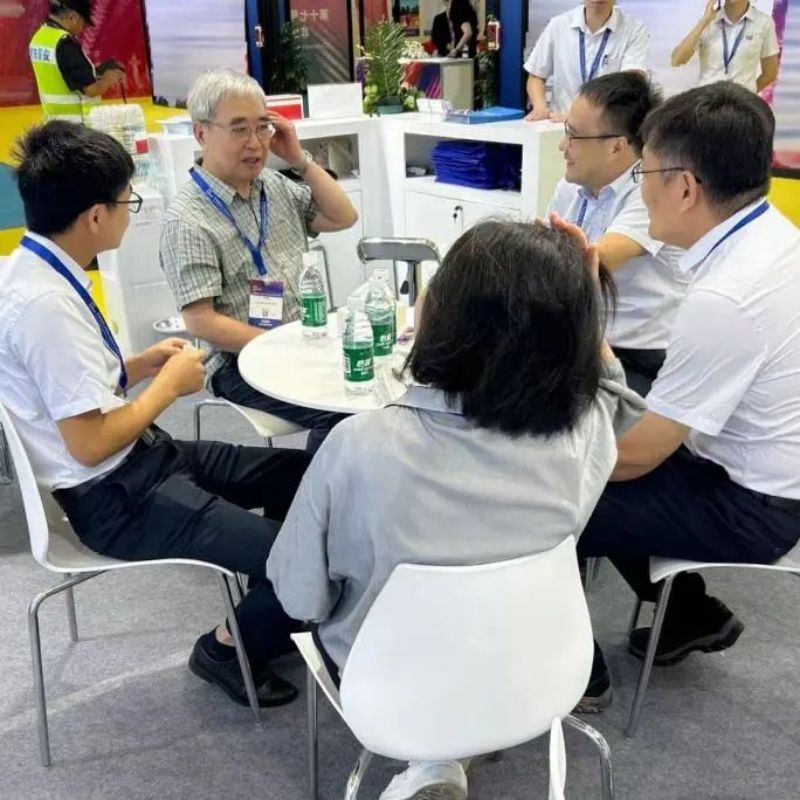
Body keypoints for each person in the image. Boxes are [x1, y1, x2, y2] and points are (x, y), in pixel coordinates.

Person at [266, 219, 644, 800]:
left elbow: (300, 596)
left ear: (445, 316)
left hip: (392, 686)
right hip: (534, 670)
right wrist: (581, 301)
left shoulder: (361, 444)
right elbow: (611, 392)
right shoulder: (581, 435)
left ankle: (433, 762)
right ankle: (441, 762)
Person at [1, 121, 314, 709]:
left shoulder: (33, 268)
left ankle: (268, 603)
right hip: (115, 495)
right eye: (127, 202)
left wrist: (139, 366)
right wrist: (167, 388)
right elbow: (88, 443)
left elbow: (65, 391)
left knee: (303, 477)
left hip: (144, 459)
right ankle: (225, 648)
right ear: (96, 216)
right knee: (306, 559)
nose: (130, 213)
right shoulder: (44, 305)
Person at [577, 82, 800, 710]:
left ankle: (577, 677)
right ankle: (688, 614)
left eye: (644, 173)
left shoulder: (726, 296)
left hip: (754, 503)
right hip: (753, 463)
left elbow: (640, 454)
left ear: (683, 187)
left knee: (552, 504)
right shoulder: (773, 235)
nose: (640, 189)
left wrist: (539, 462)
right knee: (604, 461)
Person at [159, 69, 359, 452]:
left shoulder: (275, 186)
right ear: (202, 133)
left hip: (304, 341)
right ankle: (313, 489)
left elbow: (343, 217)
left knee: (376, 387)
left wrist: (299, 160)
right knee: (343, 414)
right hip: (239, 361)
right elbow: (201, 321)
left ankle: (333, 483)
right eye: (239, 129)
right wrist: (283, 343)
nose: (255, 143)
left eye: (262, 127)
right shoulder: (188, 219)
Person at [546, 72, 687, 395]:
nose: (563, 146)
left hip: (638, 357)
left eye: (573, 135)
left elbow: (592, 264)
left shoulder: (651, 191)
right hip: (579, 342)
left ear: (616, 147)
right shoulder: (570, 185)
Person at [524, 0, 649, 122]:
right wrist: (540, 107)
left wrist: (580, 118)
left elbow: (632, 84)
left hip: (606, 124)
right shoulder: (559, 25)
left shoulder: (634, 29)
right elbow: (536, 75)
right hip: (559, 122)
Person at [28, 0, 125, 123]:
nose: (82, 28)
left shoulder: (39, 37)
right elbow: (91, 90)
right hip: (76, 125)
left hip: (55, 122)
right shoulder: (64, 44)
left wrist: (96, 71)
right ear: (72, 17)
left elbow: (63, 73)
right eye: (83, 22)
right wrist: (109, 78)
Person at [672, 0, 779, 94]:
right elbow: (677, 60)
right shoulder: (708, 18)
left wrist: (746, 95)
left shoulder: (764, 23)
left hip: (741, 105)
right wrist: (704, 21)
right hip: (707, 103)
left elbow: (770, 74)